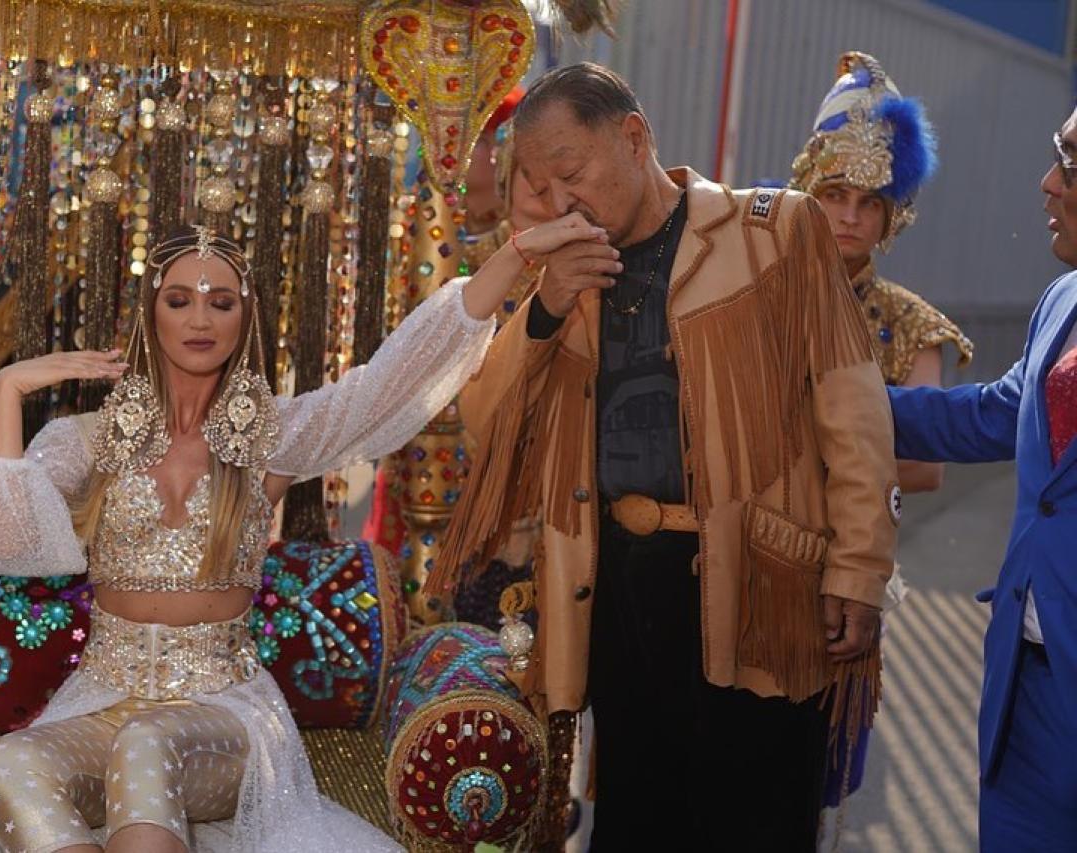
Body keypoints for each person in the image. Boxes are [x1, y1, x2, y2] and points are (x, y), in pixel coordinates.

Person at [0, 216, 603, 853]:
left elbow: (393, 382)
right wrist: (9, 387)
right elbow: (7, 540)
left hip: (224, 714)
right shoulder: (87, 440)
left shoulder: (269, 436)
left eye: (220, 302)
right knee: (8, 764)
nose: (200, 319)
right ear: (151, 315)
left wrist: (515, 253)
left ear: (244, 318)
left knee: (146, 742)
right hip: (105, 699)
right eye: (180, 300)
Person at [428, 62, 898, 851]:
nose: (561, 201)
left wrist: (859, 566)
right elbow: (486, 421)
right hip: (620, 596)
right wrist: (546, 308)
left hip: (762, 591)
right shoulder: (568, 277)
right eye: (541, 187)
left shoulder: (772, 232)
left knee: (757, 826)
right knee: (635, 823)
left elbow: (852, 407)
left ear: (634, 137)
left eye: (572, 172)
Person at [886, 107, 1077, 852]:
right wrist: (842, 401)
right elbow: (996, 414)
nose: (1049, 183)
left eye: (1071, 163)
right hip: (1026, 696)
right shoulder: (1062, 301)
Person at [788, 50, 973, 807]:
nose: (848, 216)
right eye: (835, 194)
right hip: (741, 565)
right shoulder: (755, 294)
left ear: (892, 216)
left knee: (809, 787)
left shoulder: (910, 322)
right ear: (807, 190)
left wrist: (807, 446)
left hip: (849, 580)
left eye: (869, 202)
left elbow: (926, 468)